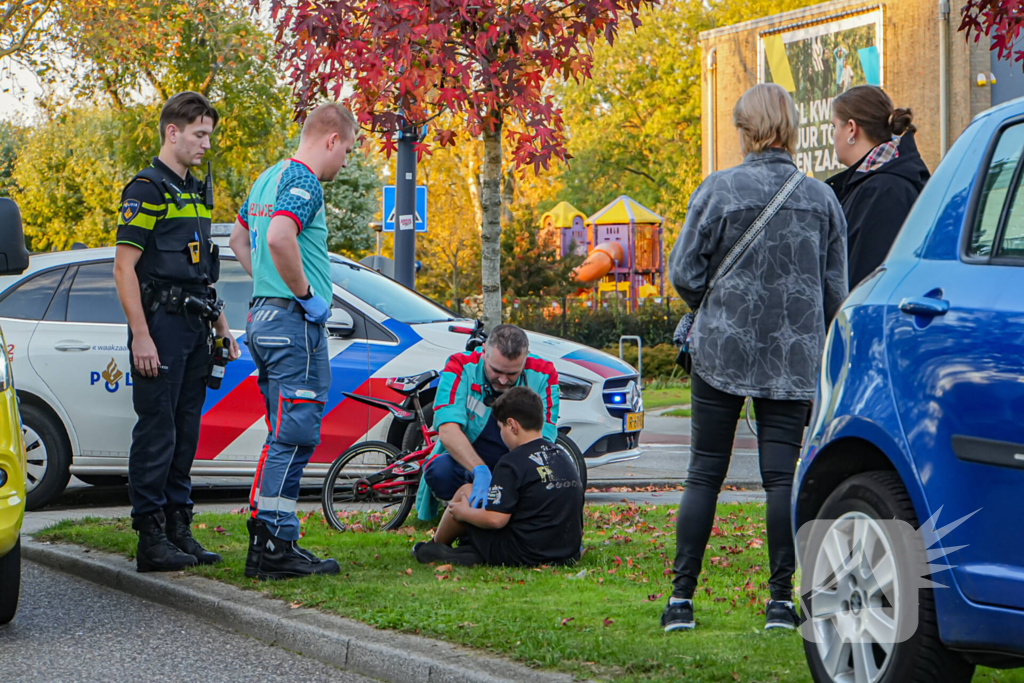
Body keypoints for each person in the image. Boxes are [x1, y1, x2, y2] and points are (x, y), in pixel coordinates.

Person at [664, 83, 848, 632]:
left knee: (704, 474)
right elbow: (836, 292)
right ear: (790, 127)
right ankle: (779, 604)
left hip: (721, 347)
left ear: (745, 130)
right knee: (780, 479)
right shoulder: (821, 200)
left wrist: (713, 306)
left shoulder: (719, 189)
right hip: (793, 357)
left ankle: (681, 601)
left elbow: (683, 272)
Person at [228, 103, 357, 580]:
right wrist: (302, 294)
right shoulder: (304, 181)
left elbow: (242, 240)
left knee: (283, 433)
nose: (346, 160)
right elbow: (280, 237)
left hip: (264, 317)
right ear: (330, 140)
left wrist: (268, 284)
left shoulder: (268, 178)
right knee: (295, 434)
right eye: (347, 149)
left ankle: (269, 535)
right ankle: (274, 545)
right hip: (292, 325)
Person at [113, 91, 241, 573]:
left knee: (185, 431)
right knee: (157, 432)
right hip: (160, 327)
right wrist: (140, 335)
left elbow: (203, 270)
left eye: (209, 134)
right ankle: (150, 537)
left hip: (194, 325)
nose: (206, 143)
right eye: (199, 135)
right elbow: (124, 269)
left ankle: (177, 527)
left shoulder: (193, 190)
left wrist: (223, 325)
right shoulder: (146, 189)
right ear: (173, 132)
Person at [413, 386, 583, 567]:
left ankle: (435, 546)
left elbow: (495, 519)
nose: (501, 434)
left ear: (512, 425)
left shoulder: (511, 462)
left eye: (500, 427)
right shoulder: (562, 455)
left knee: (466, 492)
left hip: (524, 553)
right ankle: (457, 549)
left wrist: (463, 513)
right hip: (566, 552)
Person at [417, 324, 559, 517]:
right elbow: (447, 429)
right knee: (440, 470)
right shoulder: (459, 366)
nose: (502, 381)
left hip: (519, 462)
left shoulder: (544, 373)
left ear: (525, 359)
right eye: (496, 370)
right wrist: (480, 470)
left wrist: (514, 475)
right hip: (468, 464)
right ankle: (464, 509)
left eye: (512, 374)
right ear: (484, 352)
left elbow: (545, 436)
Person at [828, 85, 929, 287]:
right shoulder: (882, 181)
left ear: (851, 128)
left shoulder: (884, 190)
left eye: (834, 127)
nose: (833, 137)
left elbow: (865, 282)